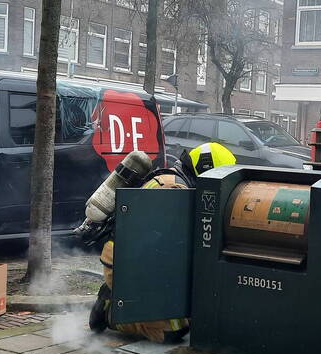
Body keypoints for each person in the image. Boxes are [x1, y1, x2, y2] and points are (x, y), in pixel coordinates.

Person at [88, 142, 237, 341]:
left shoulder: (178, 183)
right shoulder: (173, 189)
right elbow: (159, 249)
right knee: (172, 330)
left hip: (141, 257)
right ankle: (110, 311)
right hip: (126, 263)